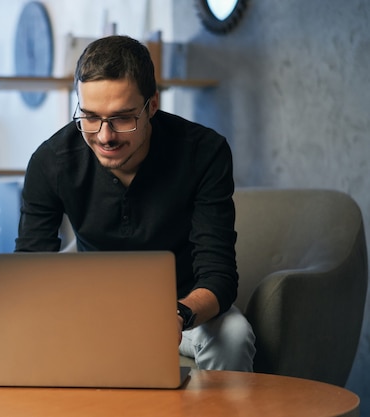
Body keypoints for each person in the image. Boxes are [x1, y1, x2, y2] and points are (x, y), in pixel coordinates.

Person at [15, 35, 255, 371]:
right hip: (90, 307)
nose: (104, 136)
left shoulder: (204, 152)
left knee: (233, 335)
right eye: (90, 117)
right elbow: (30, 267)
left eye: (123, 118)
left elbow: (219, 275)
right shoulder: (50, 162)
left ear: (152, 104)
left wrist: (176, 315)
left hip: (183, 307)